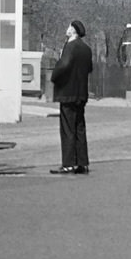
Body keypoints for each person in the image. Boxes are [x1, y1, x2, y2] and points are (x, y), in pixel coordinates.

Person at [49, 19, 93, 175]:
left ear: (73, 30)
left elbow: (64, 65)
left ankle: (68, 164)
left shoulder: (70, 46)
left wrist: (54, 76)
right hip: (81, 94)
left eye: (69, 26)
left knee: (67, 129)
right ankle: (82, 163)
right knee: (79, 127)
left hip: (67, 93)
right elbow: (89, 69)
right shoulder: (87, 49)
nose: (67, 28)